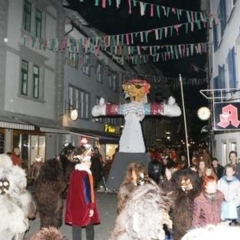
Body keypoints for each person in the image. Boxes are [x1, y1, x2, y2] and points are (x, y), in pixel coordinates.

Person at [65, 148, 100, 240]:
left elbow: (72, 191)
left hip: (75, 205)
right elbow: (87, 192)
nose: (90, 163)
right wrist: (91, 207)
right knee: (89, 227)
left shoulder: (74, 173)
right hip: (85, 206)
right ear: (84, 162)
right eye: (89, 161)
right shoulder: (86, 174)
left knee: (76, 227)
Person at [34, 158, 67, 229]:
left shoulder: (41, 178)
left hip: (42, 201)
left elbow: (36, 187)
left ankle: (45, 232)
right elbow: (63, 186)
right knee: (54, 221)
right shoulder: (57, 178)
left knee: (44, 220)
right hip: (54, 203)